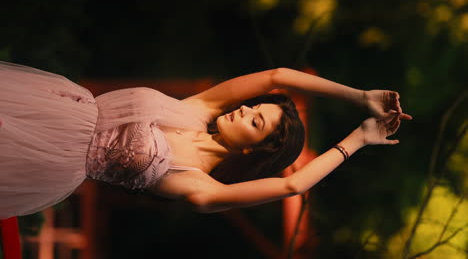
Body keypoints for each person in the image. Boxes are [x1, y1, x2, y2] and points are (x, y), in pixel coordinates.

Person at [0, 61, 412, 219]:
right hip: (49, 105)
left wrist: (357, 138)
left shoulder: (197, 181)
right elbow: (277, 77)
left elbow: (293, 184)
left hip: (44, 159)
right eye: (254, 108)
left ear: (252, 149)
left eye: (255, 124)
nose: (246, 111)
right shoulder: (199, 108)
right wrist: (360, 95)